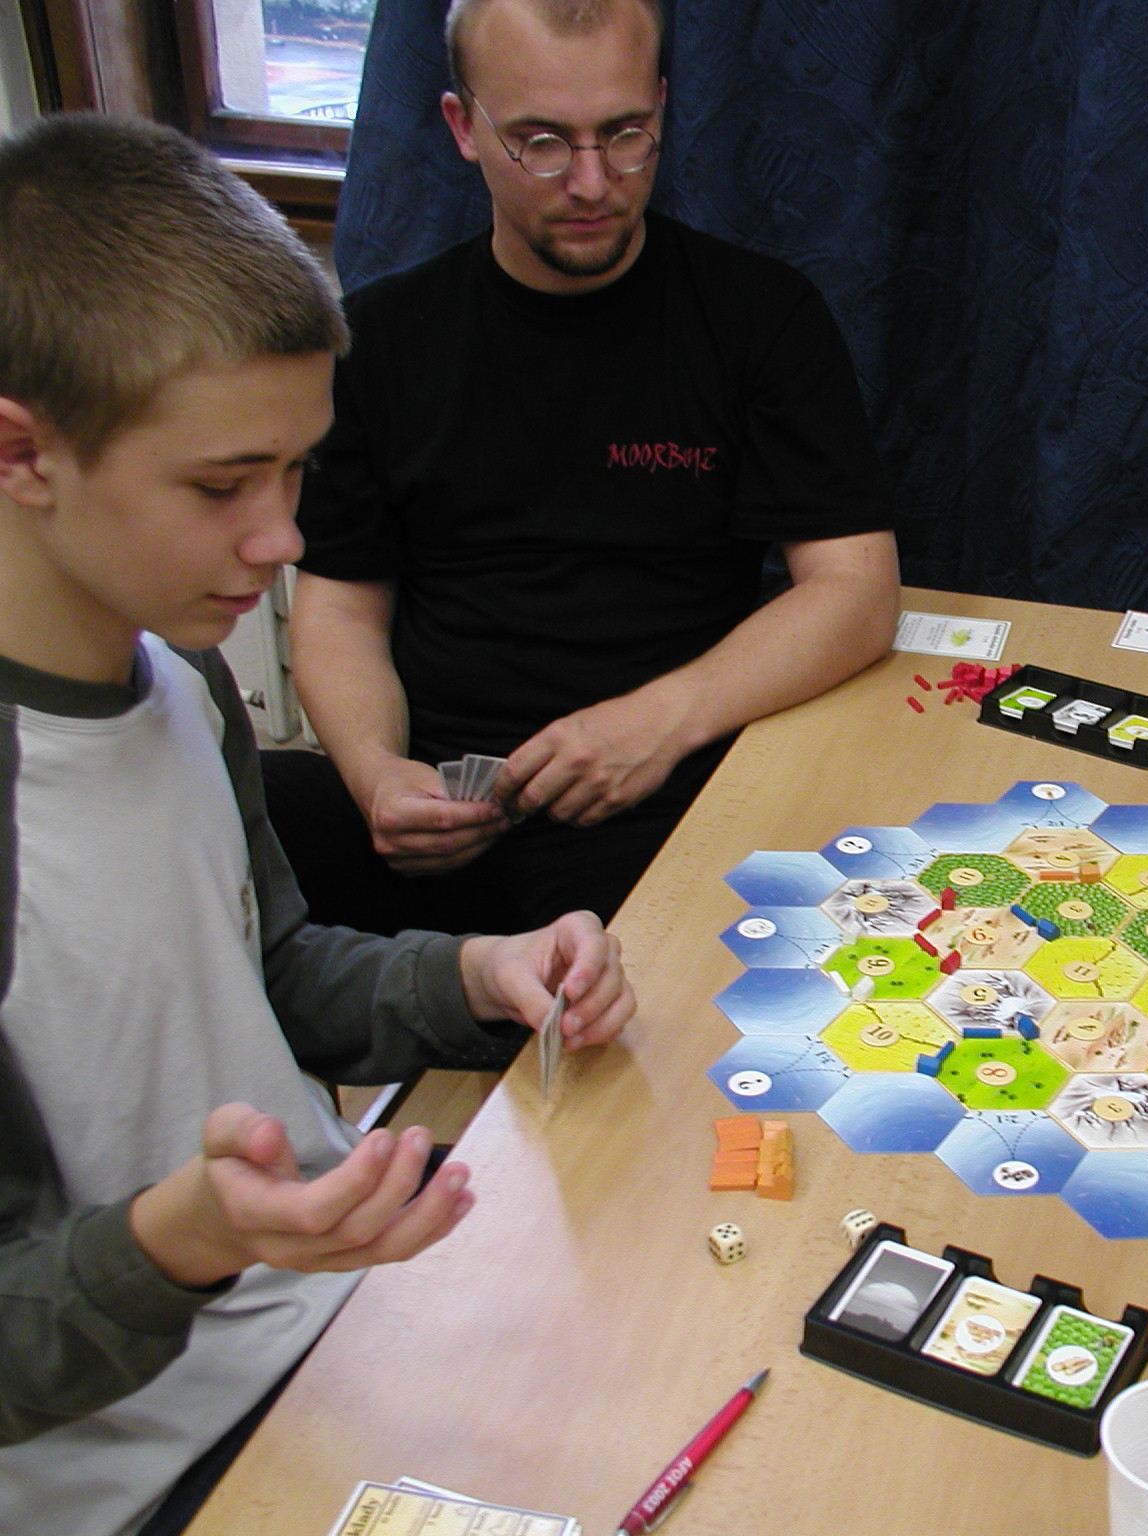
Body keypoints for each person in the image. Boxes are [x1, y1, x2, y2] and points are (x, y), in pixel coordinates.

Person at [0, 116, 635, 1536]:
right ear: (21, 451)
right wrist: (184, 1240)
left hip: (339, 1309)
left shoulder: (179, 676)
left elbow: (265, 972)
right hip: (150, 1462)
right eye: (222, 485)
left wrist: (476, 973)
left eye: (296, 473)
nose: (283, 538)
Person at [262, 0, 901, 937]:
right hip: (447, 798)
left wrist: (657, 724)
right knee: (244, 812)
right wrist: (375, 776)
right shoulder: (382, 337)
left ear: (662, 108)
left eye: (626, 135)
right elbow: (341, 608)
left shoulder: (761, 316)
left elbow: (857, 592)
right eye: (542, 143)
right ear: (463, 128)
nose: (594, 182)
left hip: (666, 790)